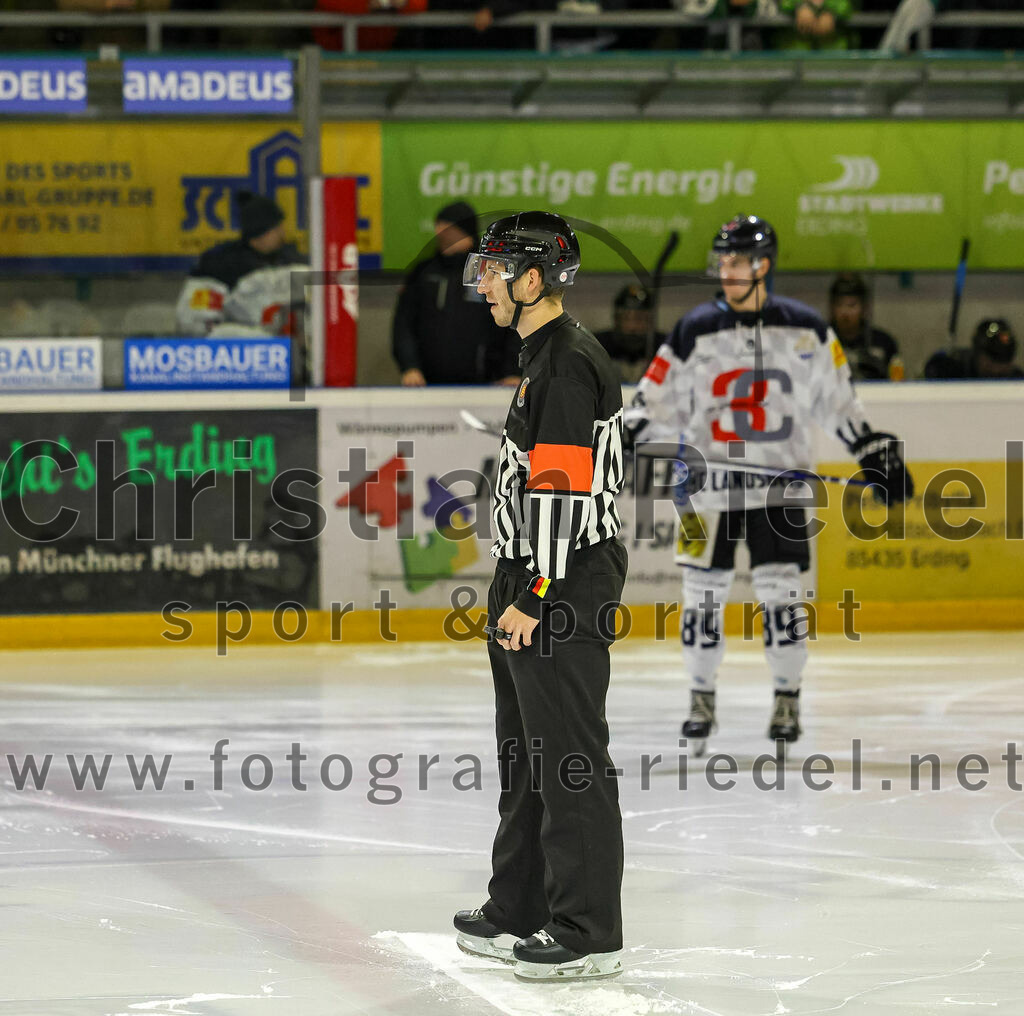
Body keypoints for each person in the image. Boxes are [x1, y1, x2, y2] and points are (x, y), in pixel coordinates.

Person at [624, 214, 914, 754]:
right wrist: (626, 434)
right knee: (701, 599)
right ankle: (701, 695)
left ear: (764, 266)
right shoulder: (692, 330)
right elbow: (654, 398)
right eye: (723, 262)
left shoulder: (807, 329)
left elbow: (837, 402)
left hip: (778, 489)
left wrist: (867, 446)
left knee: (782, 599)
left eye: (735, 262)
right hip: (703, 490)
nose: (726, 272)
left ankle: (787, 694)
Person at [452, 211, 628, 982]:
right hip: (528, 579)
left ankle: (587, 929)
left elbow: (559, 493)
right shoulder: (543, 357)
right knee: (525, 756)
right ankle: (519, 905)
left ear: (533, 279)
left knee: (570, 762)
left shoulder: (565, 364)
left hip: (557, 582)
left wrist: (535, 593)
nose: (483, 283)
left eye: (495, 270)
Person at [392, 202, 520, 386]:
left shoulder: (492, 271)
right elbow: (403, 323)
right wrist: (410, 366)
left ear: (464, 230)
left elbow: (513, 320)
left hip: (488, 384)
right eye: (439, 228)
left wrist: (512, 371)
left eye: (448, 229)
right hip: (427, 384)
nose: (441, 233)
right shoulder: (424, 272)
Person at [176, 191, 306, 337]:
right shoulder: (222, 264)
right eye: (276, 229)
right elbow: (198, 322)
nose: (282, 234)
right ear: (260, 233)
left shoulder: (285, 258)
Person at [828, 272, 902, 380]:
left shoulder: (883, 342)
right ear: (832, 308)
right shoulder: (822, 342)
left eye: (851, 305)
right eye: (839, 305)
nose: (845, 313)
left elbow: (897, 383)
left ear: (864, 308)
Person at [595, 284, 666, 384]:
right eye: (627, 318)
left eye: (639, 319)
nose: (633, 327)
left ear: (650, 321)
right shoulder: (597, 347)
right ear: (617, 320)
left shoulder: (664, 349)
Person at [924, 318, 1023, 380]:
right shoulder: (957, 369)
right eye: (992, 360)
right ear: (977, 354)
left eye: (1004, 361)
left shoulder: (1017, 380)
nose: (997, 369)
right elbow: (932, 369)